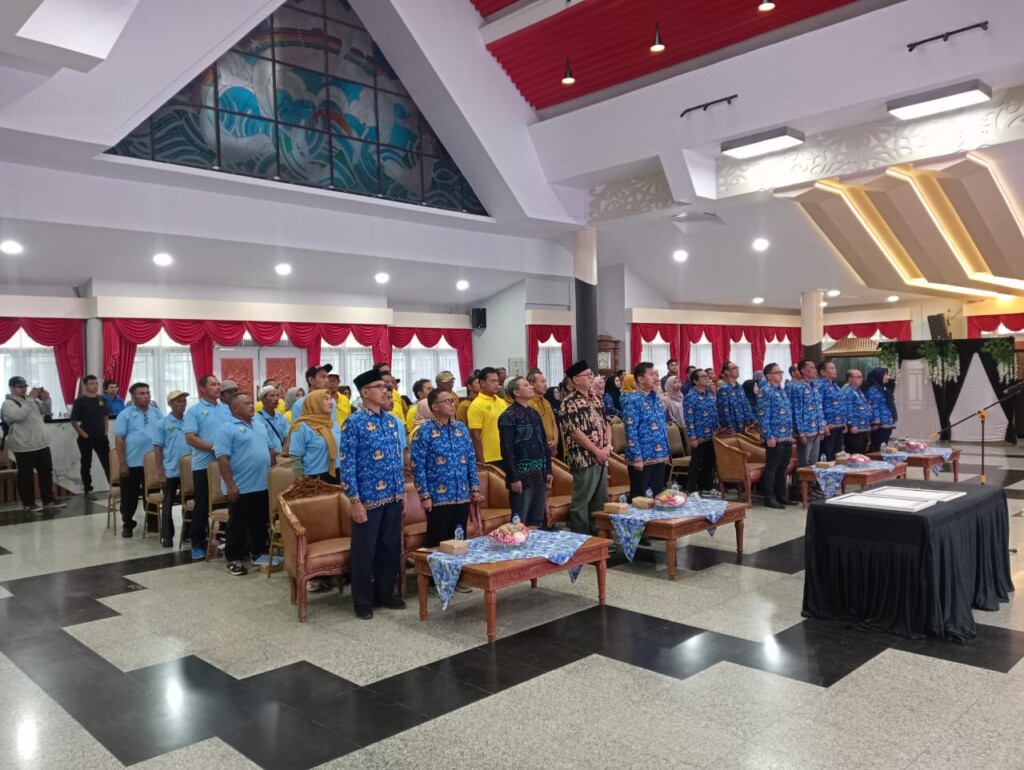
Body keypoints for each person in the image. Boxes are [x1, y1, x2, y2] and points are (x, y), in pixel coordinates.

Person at [339, 367, 407, 619]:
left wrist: (402, 491)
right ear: (365, 392)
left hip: (393, 495)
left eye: (386, 387)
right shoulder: (354, 422)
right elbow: (347, 464)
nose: (386, 391)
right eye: (380, 387)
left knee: (389, 548)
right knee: (364, 551)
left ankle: (385, 593)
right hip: (367, 499)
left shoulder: (391, 422)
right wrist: (354, 500)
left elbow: (397, 460)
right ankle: (362, 599)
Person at [410, 388, 481, 577]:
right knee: (438, 539)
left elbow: (470, 459)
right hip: (438, 497)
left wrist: (474, 487)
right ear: (434, 407)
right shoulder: (424, 432)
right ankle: (436, 580)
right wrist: (424, 495)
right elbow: (418, 466)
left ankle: (457, 577)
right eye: (447, 401)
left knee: (459, 538)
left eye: (453, 400)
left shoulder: (461, 429)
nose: (453, 404)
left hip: (461, 494)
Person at [215, 393, 274, 576]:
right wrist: (230, 484)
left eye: (251, 402)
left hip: (261, 484)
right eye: (246, 403)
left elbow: (270, 449)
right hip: (240, 486)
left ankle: (258, 552)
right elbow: (222, 458)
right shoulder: (227, 428)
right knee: (237, 524)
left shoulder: (259, 424)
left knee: (259, 522)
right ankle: (233, 558)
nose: (251, 406)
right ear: (234, 408)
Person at [559, 361, 611, 535]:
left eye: (592, 374)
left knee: (600, 501)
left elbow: (607, 424)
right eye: (587, 375)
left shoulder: (596, 398)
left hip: (602, 457)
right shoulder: (569, 402)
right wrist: (597, 451)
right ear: (575, 380)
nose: (591, 378)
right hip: (583, 458)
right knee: (582, 502)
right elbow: (574, 431)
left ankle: (598, 538)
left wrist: (607, 447)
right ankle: (581, 539)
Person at [183, 375, 231, 559]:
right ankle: (197, 543)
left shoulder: (226, 409)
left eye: (218, 384)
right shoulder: (194, 411)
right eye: (213, 384)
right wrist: (214, 448)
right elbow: (191, 438)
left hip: (226, 463)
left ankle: (225, 537)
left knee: (229, 500)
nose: (218, 387)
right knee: (202, 505)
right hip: (204, 465)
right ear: (202, 389)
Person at [2, 376, 64, 513]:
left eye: (25, 386)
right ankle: (28, 503)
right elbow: (18, 416)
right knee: (26, 475)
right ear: (12, 388)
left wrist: (46, 399)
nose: (24, 389)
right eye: (20, 386)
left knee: (46, 472)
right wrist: (30, 399)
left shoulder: (32, 400)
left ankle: (48, 500)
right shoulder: (8, 403)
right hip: (23, 446)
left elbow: (46, 411)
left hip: (41, 443)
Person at [498, 376, 552, 527]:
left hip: (539, 473)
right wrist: (514, 477)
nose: (531, 387)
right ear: (516, 392)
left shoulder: (534, 413)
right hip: (521, 476)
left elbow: (543, 443)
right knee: (520, 519)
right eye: (526, 385)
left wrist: (548, 470)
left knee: (538, 518)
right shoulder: (508, 416)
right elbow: (507, 449)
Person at [114, 382, 162, 537]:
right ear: (133, 397)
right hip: (132, 462)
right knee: (129, 495)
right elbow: (119, 439)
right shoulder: (125, 415)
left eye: (147, 393)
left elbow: (162, 435)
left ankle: (153, 522)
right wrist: (122, 463)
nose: (146, 396)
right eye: (142, 393)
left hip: (153, 463)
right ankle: (127, 524)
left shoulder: (157, 413)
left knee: (153, 492)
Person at [623, 362, 672, 499]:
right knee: (640, 499)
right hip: (643, 458)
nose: (656, 378)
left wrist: (666, 452)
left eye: (656, 374)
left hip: (660, 455)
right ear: (640, 379)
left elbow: (662, 426)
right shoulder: (633, 400)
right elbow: (631, 430)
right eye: (651, 374)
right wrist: (637, 457)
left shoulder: (656, 398)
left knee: (658, 497)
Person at [153, 390, 191, 547]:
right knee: (168, 503)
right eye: (178, 401)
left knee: (189, 501)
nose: (182, 404)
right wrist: (160, 473)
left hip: (189, 470)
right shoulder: (162, 424)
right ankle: (167, 536)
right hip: (170, 470)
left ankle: (188, 533)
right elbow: (157, 450)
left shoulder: (190, 421)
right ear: (170, 404)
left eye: (184, 401)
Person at [757, 363, 797, 509]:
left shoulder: (781, 390)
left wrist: (790, 433)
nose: (781, 374)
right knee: (772, 468)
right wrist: (768, 436)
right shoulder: (765, 391)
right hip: (774, 436)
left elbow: (787, 414)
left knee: (782, 467)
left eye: (781, 372)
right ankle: (769, 497)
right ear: (769, 375)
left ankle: (781, 495)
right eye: (777, 372)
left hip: (785, 435)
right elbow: (763, 416)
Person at [70, 374, 110, 501]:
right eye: (92, 384)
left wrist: (105, 431)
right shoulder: (80, 401)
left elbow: (105, 416)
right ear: (85, 385)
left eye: (96, 383)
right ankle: (88, 489)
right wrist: (83, 434)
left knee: (108, 462)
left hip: (101, 437)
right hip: (86, 438)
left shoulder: (101, 399)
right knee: (86, 463)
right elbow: (73, 421)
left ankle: (114, 487)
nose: (95, 386)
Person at [288, 389, 341, 483]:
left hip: (338, 474)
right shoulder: (301, 427)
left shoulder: (333, 425)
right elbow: (295, 457)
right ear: (314, 403)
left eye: (330, 399)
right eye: (326, 399)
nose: (331, 402)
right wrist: (300, 482)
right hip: (314, 479)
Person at [683, 368, 719, 496]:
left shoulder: (710, 394)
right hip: (698, 435)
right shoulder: (691, 396)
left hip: (711, 435)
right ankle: (692, 489)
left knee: (708, 462)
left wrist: (717, 429)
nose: (707, 378)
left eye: (706, 376)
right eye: (703, 376)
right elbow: (689, 418)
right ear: (695, 381)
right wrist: (692, 437)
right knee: (696, 462)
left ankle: (707, 487)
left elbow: (714, 413)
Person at [467, 367, 506, 467]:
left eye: (497, 381)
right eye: (492, 381)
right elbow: (475, 436)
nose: (496, 384)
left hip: (505, 454)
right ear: (482, 383)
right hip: (488, 458)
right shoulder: (477, 405)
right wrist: (481, 462)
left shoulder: (502, 402)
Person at [789, 359, 824, 470]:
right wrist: (801, 433)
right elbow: (796, 411)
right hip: (806, 431)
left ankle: (812, 481)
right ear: (803, 371)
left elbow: (819, 409)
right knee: (804, 462)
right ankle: (801, 482)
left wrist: (821, 428)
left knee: (814, 461)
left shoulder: (815, 387)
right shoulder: (799, 388)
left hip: (816, 430)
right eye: (812, 368)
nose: (815, 370)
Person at [815, 360, 846, 460]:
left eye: (835, 368)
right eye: (831, 368)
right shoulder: (819, 385)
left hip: (839, 425)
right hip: (828, 426)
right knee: (826, 456)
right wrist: (823, 424)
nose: (835, 370)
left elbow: (840, 404)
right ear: (823, 372)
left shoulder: (834, 385)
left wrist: (844, 421)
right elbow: (818, 406)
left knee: (837, 456)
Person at [526, 369, 559, 456]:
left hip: (552, 447)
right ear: (532, 384)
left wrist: (555, 442)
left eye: (545, 381)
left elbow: (553, 423)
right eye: (542, 382)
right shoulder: (528, 404)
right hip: (538, 449)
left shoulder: (546, 402)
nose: (545, 384)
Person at [841, 369, 872, 455]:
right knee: (854, 454)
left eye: (861, 377)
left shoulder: (857, 390)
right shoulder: (847, 391)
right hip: (855, 428)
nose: (861, 379)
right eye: (858, 377)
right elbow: (847, 409)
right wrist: (851, 425)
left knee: (862, 454)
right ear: (850, 379)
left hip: (863, 427)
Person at [717, 362, 754, 434]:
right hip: (732, 427)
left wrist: (750, 420)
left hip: (744, 425)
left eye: (737, 368)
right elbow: (724, 410)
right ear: (727, 372)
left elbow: (746, 405)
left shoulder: (740, 387)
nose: (737, 370)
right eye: (734, 368)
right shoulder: (724, 389)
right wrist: (728, 427)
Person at [865, 367, 897, 451]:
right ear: (878, 376)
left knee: (883, 446)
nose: (887, 377)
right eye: (885, 375)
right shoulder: (873, 390)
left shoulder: (882, 388)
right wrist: (875, 422)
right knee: (877, 447)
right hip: (880, 425)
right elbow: (873, 406)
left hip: (887, 422)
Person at [255, 385, 290, 454]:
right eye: (272, 395)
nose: (276, 398)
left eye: (277, 395)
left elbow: (287, 440)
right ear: (263, 399)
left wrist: (282, 455)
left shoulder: (282, 418)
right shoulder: (256, 420)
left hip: (281, 455)